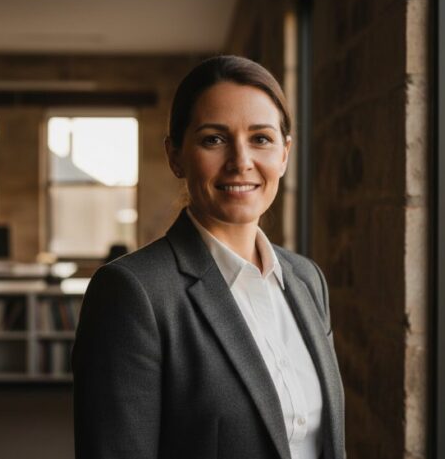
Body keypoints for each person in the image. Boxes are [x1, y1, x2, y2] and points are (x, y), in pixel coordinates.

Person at [72, 55, 345, 459]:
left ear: (285, 154)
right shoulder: (134, 293)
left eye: (261, 138)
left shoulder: (306, 279)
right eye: (213, 139)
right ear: (176, 156)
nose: (241, 162)